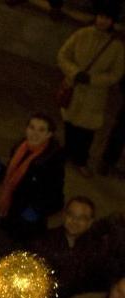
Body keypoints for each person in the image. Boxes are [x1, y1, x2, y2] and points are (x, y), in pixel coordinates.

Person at [57, 3, 124, 178]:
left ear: (112, 22)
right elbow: (63, 55)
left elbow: (116, 74)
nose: (102, 21)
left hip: (94, 95)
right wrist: (74, 72)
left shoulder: (117, 47)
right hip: (74, 88)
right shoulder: (82, 34)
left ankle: (80, 159)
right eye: (101, 16)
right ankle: (68, 153)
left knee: (87, 131)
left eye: (107, 18)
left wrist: (93, 80)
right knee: (70, 123)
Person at [0, 113, 66, 248]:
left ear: (49, 134)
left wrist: (38, 210)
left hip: (28, 223)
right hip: (10, 209)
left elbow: (56, 197)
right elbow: (13, 177)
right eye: (32, 127)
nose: (35, 133)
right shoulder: (20, 148)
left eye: (41, 130)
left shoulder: (52, 161)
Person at [31, 196, 106, 298]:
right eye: (71, 215)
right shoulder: (44, 241)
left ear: (90, 223)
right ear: (64, 215)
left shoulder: (96, 250)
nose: (75, 221)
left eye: (82, 218)